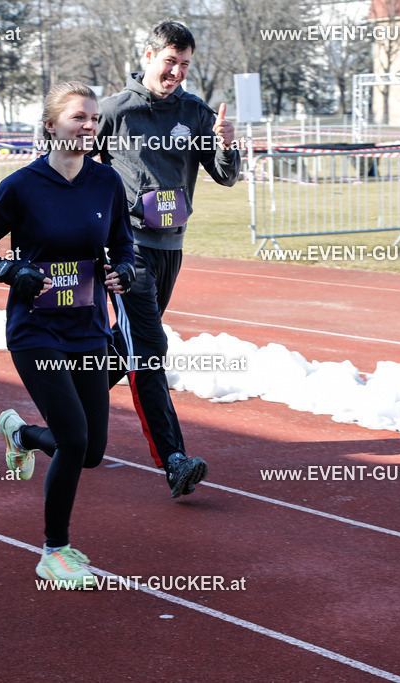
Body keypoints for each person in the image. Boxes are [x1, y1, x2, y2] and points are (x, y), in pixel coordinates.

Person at [0, 82, 135, 588]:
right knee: (73, 438)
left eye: (94, 118)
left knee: (91, 451)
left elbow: (123, 244)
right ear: (50, 126)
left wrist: (125, 271)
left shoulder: (106, 181)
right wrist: (9, 270)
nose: (89, 126)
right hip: (36, 330)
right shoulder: (23, 185)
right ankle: (53, 551)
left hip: (88, 327)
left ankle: (20, 434)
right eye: (79, 117)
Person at [94, 20, 238, 498]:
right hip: (126, 251)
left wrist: (226, 144)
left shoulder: (194, 112)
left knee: (128, 345)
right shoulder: (114, 111)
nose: (176, 72)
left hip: (171, 248)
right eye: (170, 61)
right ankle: (173, 458)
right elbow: (70, 164)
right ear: (149, 56)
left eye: (184, 65)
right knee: (150, 348)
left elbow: (225, 176)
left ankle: (63, 410)